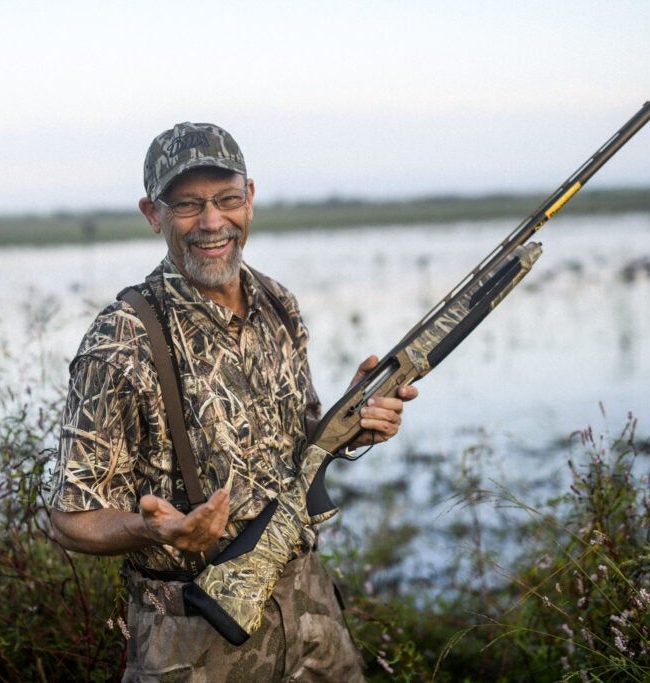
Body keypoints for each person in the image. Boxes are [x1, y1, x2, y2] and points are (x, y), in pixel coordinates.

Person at [49, 122, 418, 681]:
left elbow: (301, 440)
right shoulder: (120, 340)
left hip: (311, 608)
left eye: (226, 199)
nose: (213, 222)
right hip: (194, 638)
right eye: (188, 205)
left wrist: (355, 423)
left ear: (250, 198)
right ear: (153, 214)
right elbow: (70, 517)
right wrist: (154, 530)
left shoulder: (277, 302)